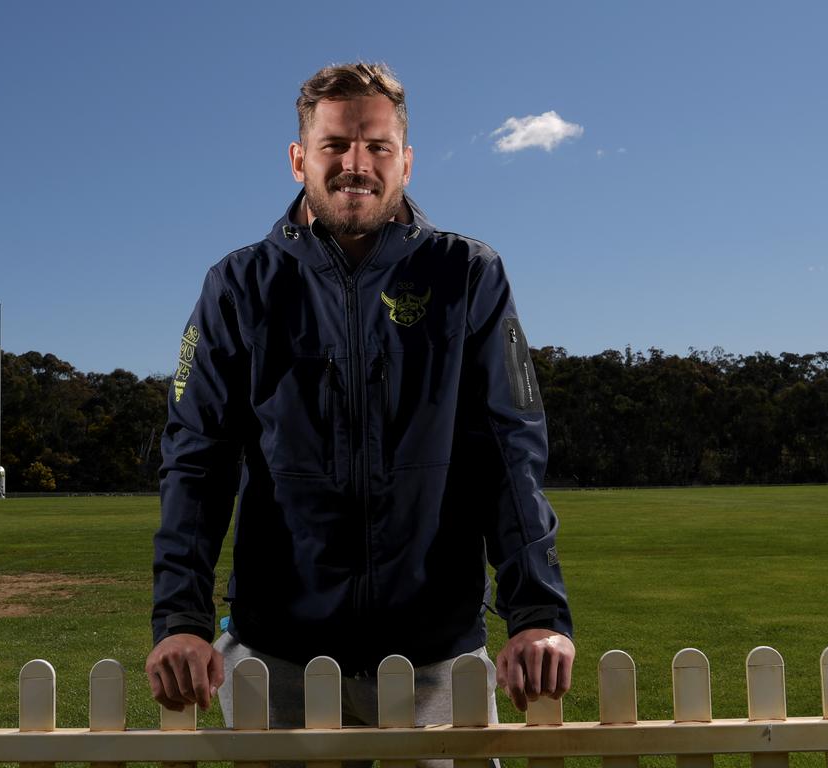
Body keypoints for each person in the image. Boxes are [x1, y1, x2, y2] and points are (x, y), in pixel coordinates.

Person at [147, 62, 574, 728]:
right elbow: (195, 460)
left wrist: (538, 612)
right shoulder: (238, 286)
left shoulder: (466, 274)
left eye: (376, 146)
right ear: (299, 160)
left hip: (437, 656)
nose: (356, 163)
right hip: (275, 654)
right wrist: (180, 617)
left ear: (406, 161)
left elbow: (508, 453)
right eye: (334, 145)